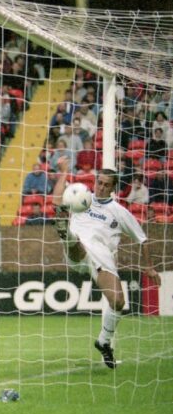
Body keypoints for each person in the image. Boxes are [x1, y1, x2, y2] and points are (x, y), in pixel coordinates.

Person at [52, 156, 159, 369]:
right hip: (79, 251)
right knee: (76, 239)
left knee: (118, 302)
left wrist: (149, 267)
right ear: (95, 182)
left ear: (113, 188)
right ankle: (66, 233)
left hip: (102, 260)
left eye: (106, 185)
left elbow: (143, 240)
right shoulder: (82, 197)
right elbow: (56, 200)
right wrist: (63, 172)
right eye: (99, 182)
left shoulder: (119, 212)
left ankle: (104, 341)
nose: (101, 187)